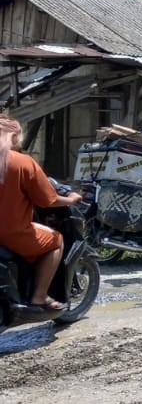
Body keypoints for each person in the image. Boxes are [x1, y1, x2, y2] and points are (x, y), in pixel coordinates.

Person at [0, 117, 83, 310]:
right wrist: (71, 200)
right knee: (56, 240)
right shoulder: (22, 162)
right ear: (13, 137)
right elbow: (47, 199)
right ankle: (39, 296)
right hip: (11, 234)